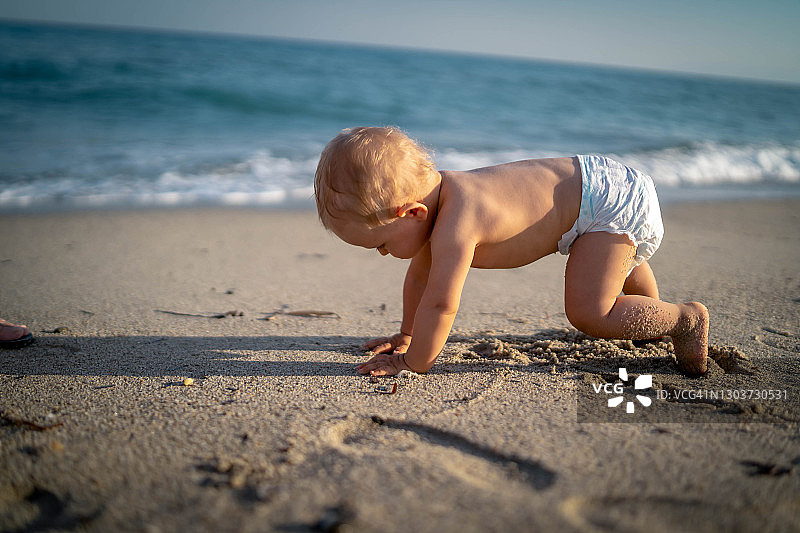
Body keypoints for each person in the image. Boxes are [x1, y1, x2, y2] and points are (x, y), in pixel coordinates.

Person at [314, 127, 708, 377]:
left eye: (381, 244)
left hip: (607, 202)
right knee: (615, 267)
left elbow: (440, 304)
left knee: (590, 311)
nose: (383, 254)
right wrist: (407, 334)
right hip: (600, 184)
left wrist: (412, 360)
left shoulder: (457, 223)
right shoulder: (441, 204)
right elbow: (419, 278)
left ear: (413, 213)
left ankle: (685, 320)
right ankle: (645, 319)